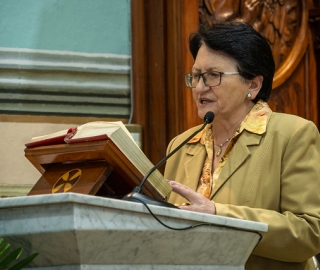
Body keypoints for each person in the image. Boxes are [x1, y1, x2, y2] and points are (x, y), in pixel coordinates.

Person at [164, 20, 320, 270]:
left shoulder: (293, 135)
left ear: (253, 84)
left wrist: (219, 215)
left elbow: (310, 232)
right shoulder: (180, 145)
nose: (200, 87)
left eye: (213, 76)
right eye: (196, 76)